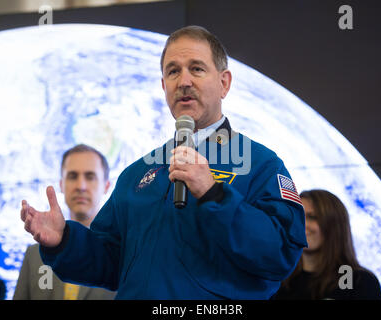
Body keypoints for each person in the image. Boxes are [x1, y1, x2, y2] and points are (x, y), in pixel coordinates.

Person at [20, 25, 307, 299]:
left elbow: (280, 255)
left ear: (224, 83)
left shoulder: (261, 165)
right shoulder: (138, 173)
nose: (184, 81)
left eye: (196, 68)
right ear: (163, 85)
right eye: (173, 72)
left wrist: (214, 193)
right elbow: (109, 262)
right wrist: (65, 241)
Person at [14, 144, 116, 300]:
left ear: (106, 186)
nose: (81, 186)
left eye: (90, 176)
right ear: (61, 185)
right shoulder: (34, 256)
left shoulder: (121, 254)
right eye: (73, 176)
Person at [274, 189, 381, 300]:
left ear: (335, 226)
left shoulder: (357, 281)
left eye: (312, 217)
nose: (303, 224)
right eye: (299, 216)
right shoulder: (278, 278)